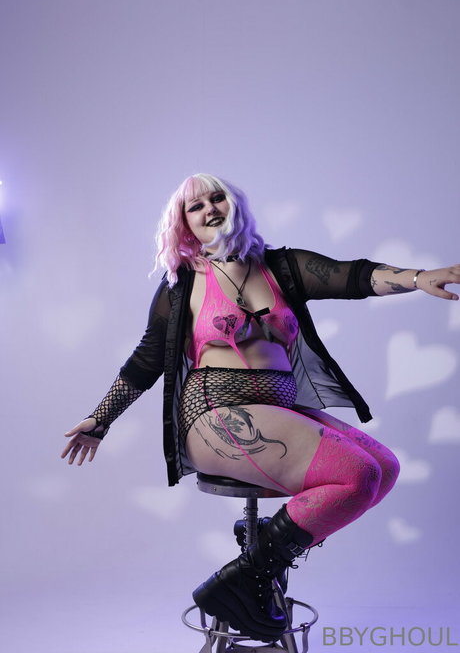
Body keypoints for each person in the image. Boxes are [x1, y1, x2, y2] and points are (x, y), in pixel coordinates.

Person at [61, 173, 460, 642]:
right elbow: (147, 358)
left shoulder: (281, 267)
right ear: (184, 224)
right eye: (195, 206)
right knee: (358, 474)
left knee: (385, 468)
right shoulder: (183, 283)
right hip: (213, 413)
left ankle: (258, 554)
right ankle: (243, 578)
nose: (209, 208)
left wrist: (418, 278)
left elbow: (353, 275)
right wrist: (100, 419)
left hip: (278, 409)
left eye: (217, 198)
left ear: (235, 205)